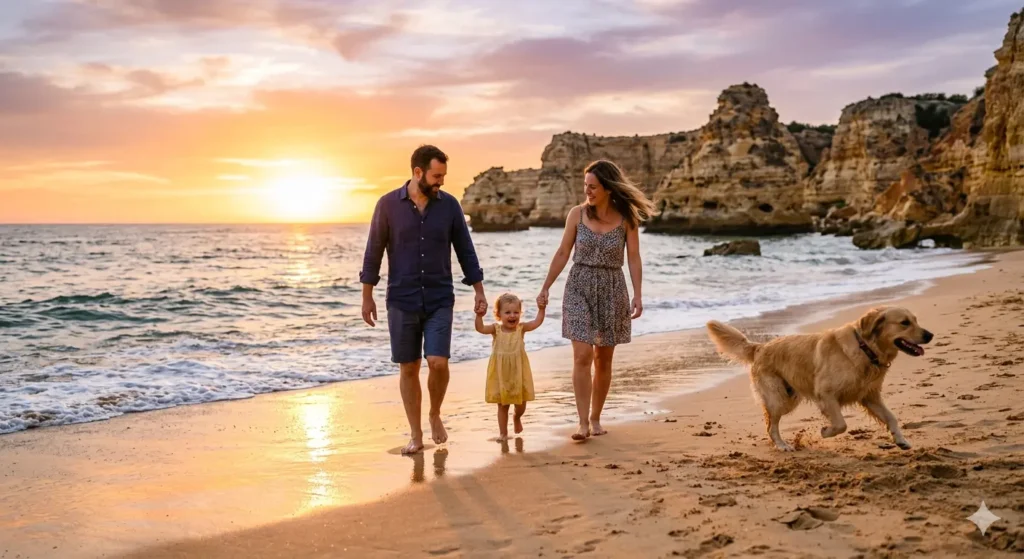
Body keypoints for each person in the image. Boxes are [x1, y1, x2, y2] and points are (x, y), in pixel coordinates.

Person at [360, 145, 488, 455]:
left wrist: (479, 291)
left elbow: (466, 250)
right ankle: (416, 435)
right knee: (409, 367)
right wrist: (367, 296)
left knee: (438, 362)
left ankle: (434, 414)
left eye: (443, 176)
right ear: (418, 173)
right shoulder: (387, 205)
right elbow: (373, 251)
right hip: (401, 299)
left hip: (439, 297)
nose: (441, 182)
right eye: (436, 176)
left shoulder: (449, 206)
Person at [537, 160, 655, 441]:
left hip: (613, 287)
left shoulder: (627, 218)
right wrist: (546, 287)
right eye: (585, 186)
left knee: (603, 359)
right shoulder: (576, 214)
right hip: (579, 285)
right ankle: (581, 423)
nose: (587, 191)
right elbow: (563, 252)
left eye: (593, 186)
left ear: (608, 188)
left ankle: (595, 417)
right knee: (582, 355)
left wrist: (638, 294)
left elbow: (634, 257)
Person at [475, 293, 545, 441]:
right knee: (502, 405)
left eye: (516, 312)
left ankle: (517, 417)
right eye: (507, 312)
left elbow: (537, 322)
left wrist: (541, 309)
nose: (512, 316)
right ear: (498, 315)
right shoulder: (496, 330)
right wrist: (479, 316)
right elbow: (480, 328)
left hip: (518, 372)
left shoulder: (521, 328)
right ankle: (503, 433)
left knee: (521, 404)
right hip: (501, 374)